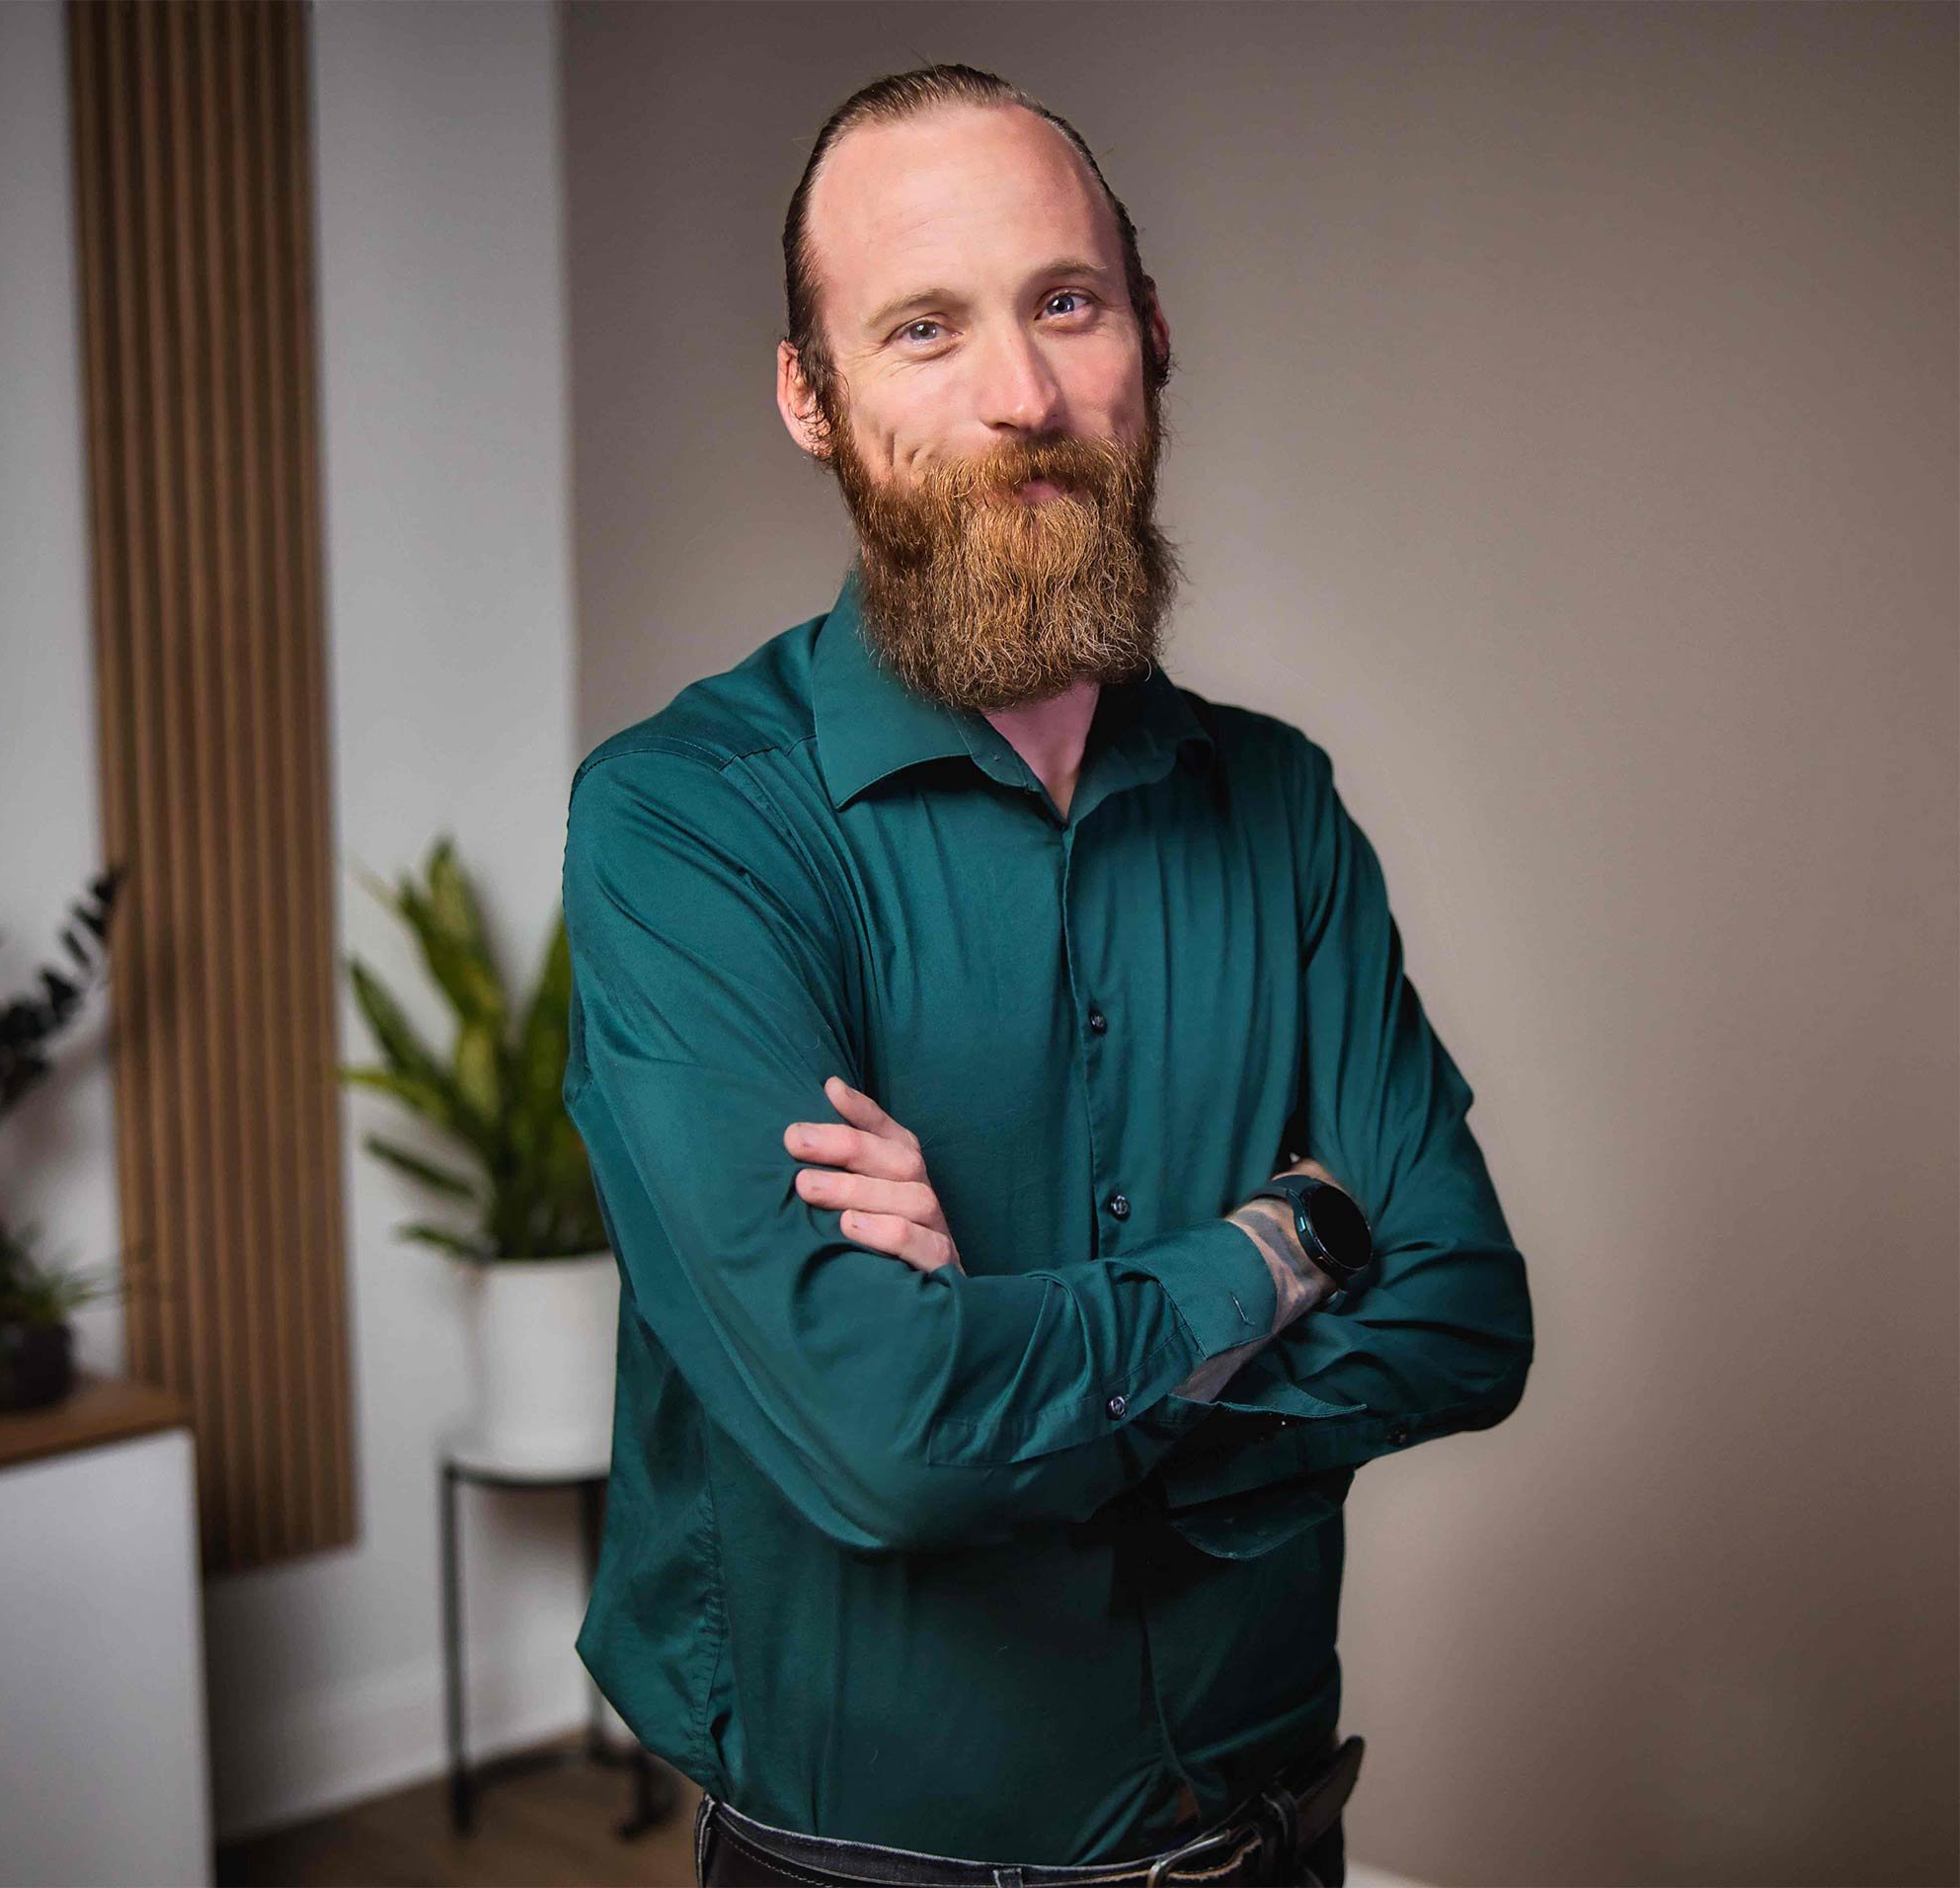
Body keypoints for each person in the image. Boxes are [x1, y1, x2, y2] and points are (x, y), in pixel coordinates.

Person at [561, 61, 1533, 1888]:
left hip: (1270, 1847)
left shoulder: (1282, 806)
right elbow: (889, 1444)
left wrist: (1010, 1368)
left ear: (1151, 336)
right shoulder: (688, 827)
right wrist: (1284, 1247)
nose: (1021, 398)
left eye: (1064, 304)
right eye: (923, 327)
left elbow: (1472, 1312)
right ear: (812, 396)